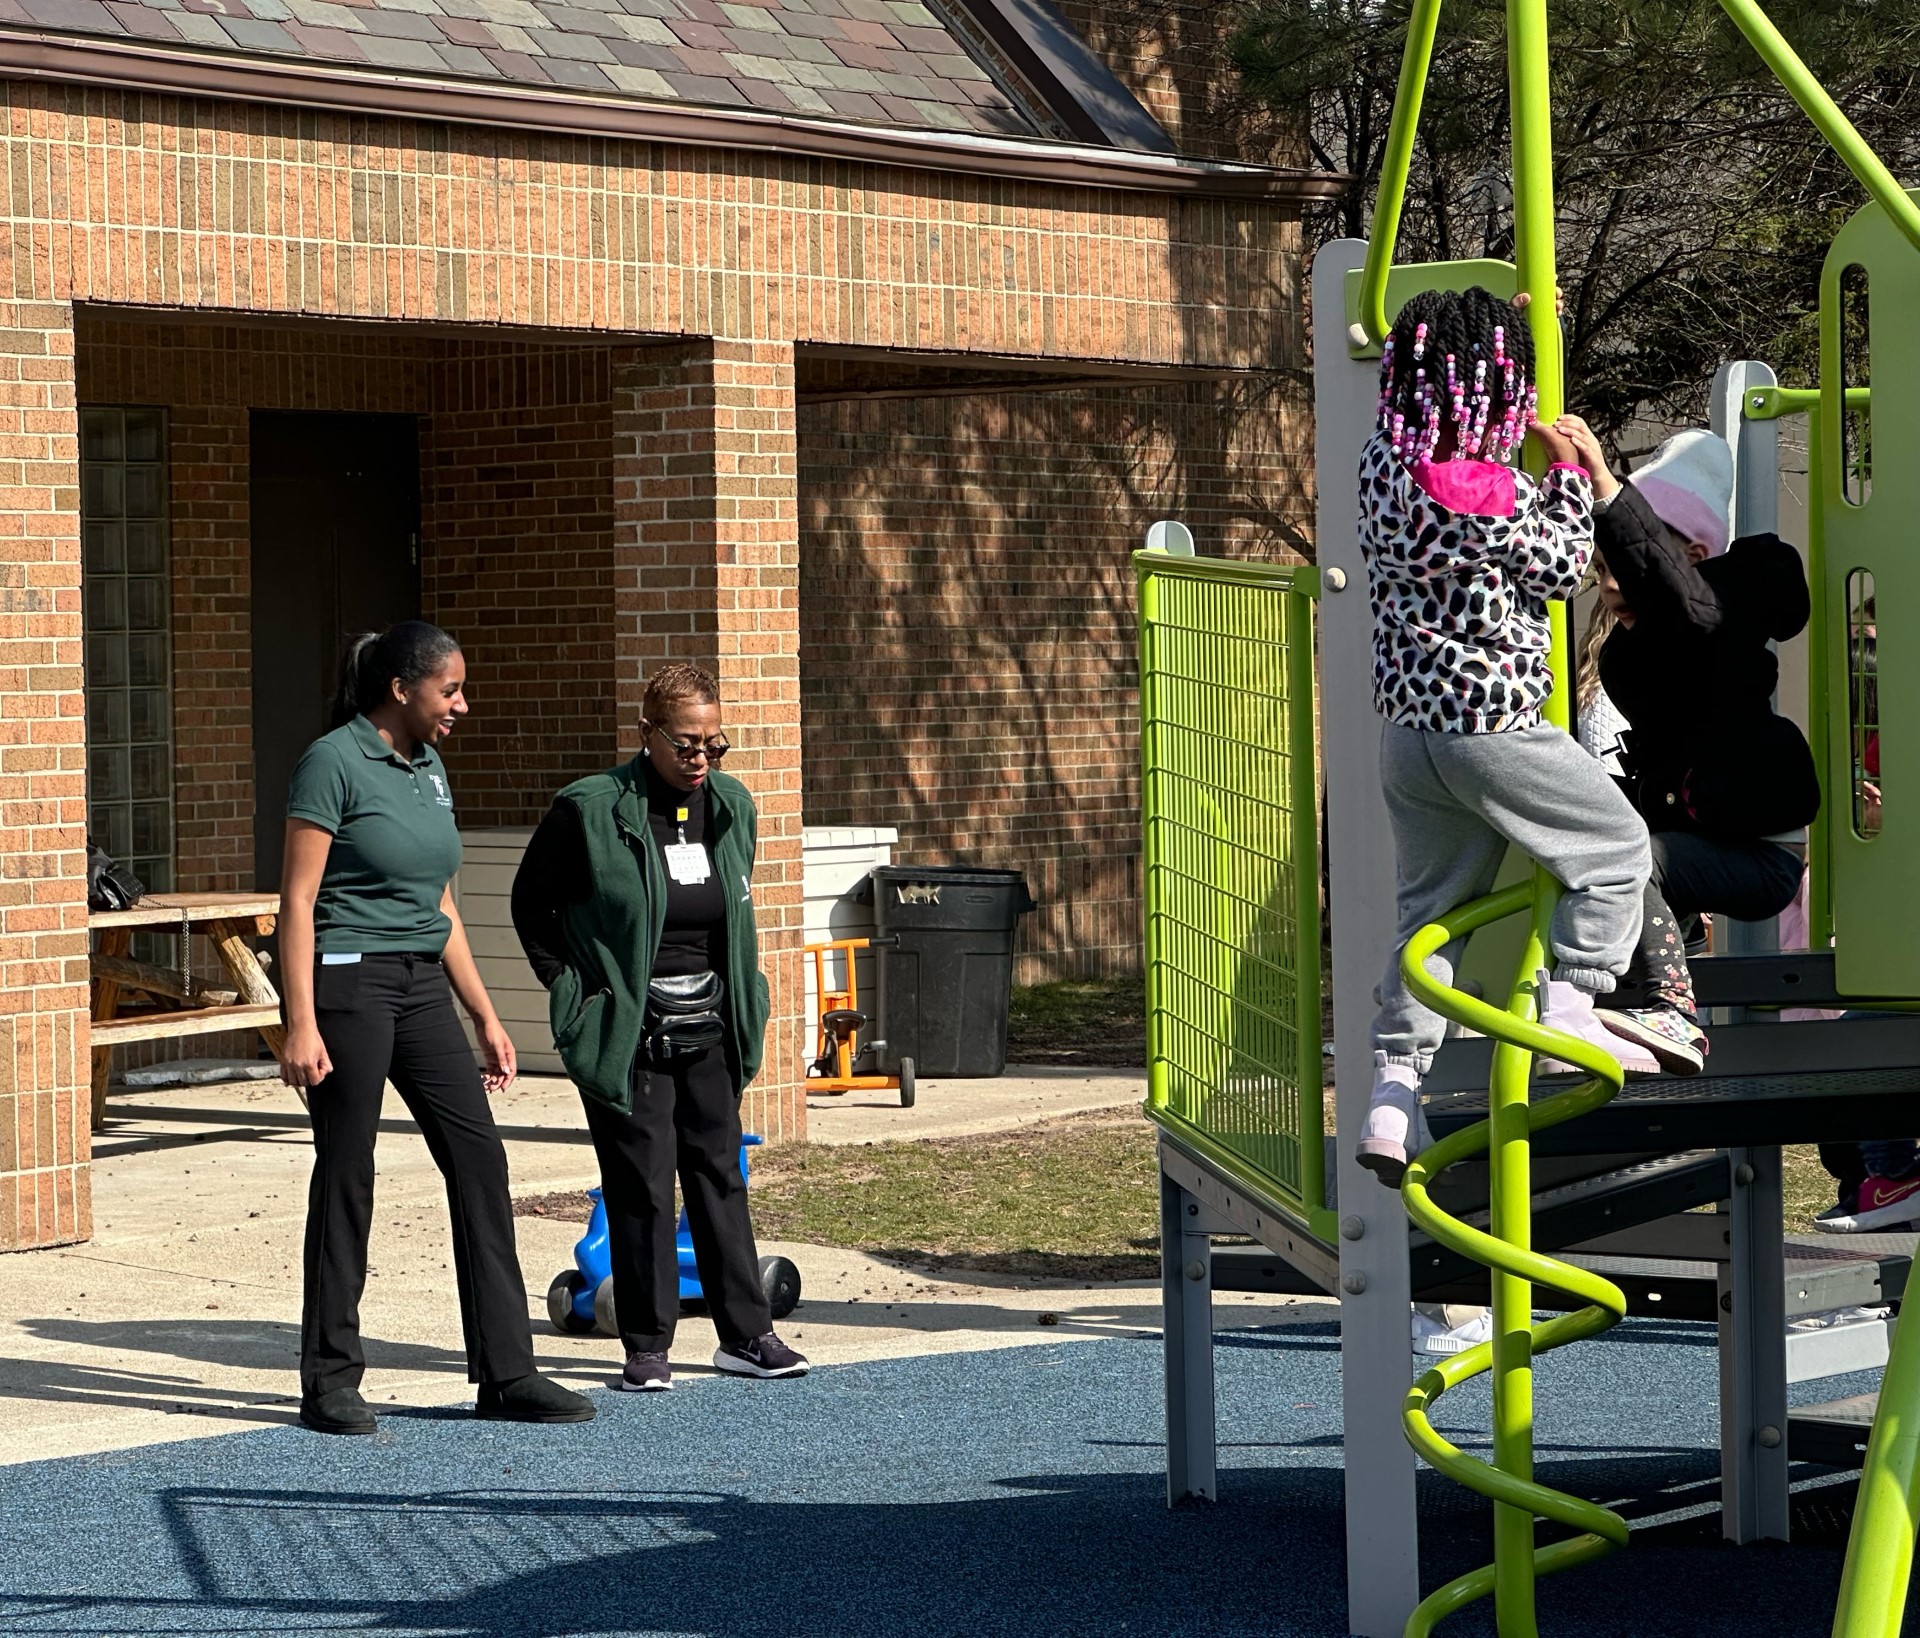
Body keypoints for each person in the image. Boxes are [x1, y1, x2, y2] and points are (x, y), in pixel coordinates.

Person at [1354, 286, 1661, 1188]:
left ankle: (1391, 1087)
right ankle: (1572, 1002)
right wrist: (1569, 479)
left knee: (1430, 918)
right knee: (1614, 847)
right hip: (1493, 727)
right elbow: (1564, 567)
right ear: (1499, 395)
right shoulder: (1486, 488)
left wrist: (1536, 327)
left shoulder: (1382, 464)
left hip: (1409, 737)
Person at [279, 621, 594, 1436]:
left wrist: (486, 1013)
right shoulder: (333, 760)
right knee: (348, 1170)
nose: (461, 703)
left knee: (479, 1159)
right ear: (400, 689)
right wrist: (301, 1022)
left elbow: (441, 905)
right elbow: (299, 902)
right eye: (449, 689)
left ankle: (506, 1373)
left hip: (422, 988)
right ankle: (330, 1381)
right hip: (347, 983)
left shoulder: (429, 767)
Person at [511, 663, 807, 1390]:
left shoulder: (731, 806)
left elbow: (730, 913)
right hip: (628, 1029)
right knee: (640, 1181)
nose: (703, 757)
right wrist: (574, 994)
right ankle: (646, 1346)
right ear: (646, 735)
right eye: (687, 743)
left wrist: (748, 998)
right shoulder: (590, 809)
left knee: (719, 1174)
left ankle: (747, 1335)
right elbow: (531, 906)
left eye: (716, 742)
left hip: (709, 1020)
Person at [1562, 424, 1820, 1074]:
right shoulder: (1641, 649)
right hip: (1706, 833)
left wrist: (1604, 485)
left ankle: (1675, 1010)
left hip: (1766, 857)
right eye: (1602, 568)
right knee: (1615, 858)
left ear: (1695, 556)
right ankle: (1656, 991)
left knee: (1632, 859)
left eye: (1621, 565)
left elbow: (1700, 601)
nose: (1608, 584)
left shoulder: (1719, 614)